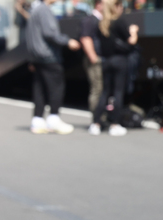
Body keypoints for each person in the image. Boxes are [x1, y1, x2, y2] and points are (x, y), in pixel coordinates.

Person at [26, 0, 81, 134]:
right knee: (56, 88)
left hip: (37, 57)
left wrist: (31, 59)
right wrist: (68, 41)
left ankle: (37, 120)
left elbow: (30, 36)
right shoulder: (44, 10)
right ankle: (53, 119)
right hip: (49, 56)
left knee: (39, 89)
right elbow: (50, 33)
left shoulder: (35, 10)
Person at [88, 0, 138, 136]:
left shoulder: (102, 23)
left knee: (104, 92)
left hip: (106, 61)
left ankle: (96, 123)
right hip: (120, 61)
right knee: (118, 93)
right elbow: (131, 41)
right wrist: (134, 32)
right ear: (115, 7)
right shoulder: (119, 21)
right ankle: (114, 124)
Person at [80, 0, 103, 112]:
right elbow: (85, 38)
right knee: (97, 89)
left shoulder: (101, 20)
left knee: (101, 88)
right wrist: (93, 57)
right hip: (94, 60)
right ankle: (96, 118)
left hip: (100, 59)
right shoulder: (90, 19)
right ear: (98, 4)